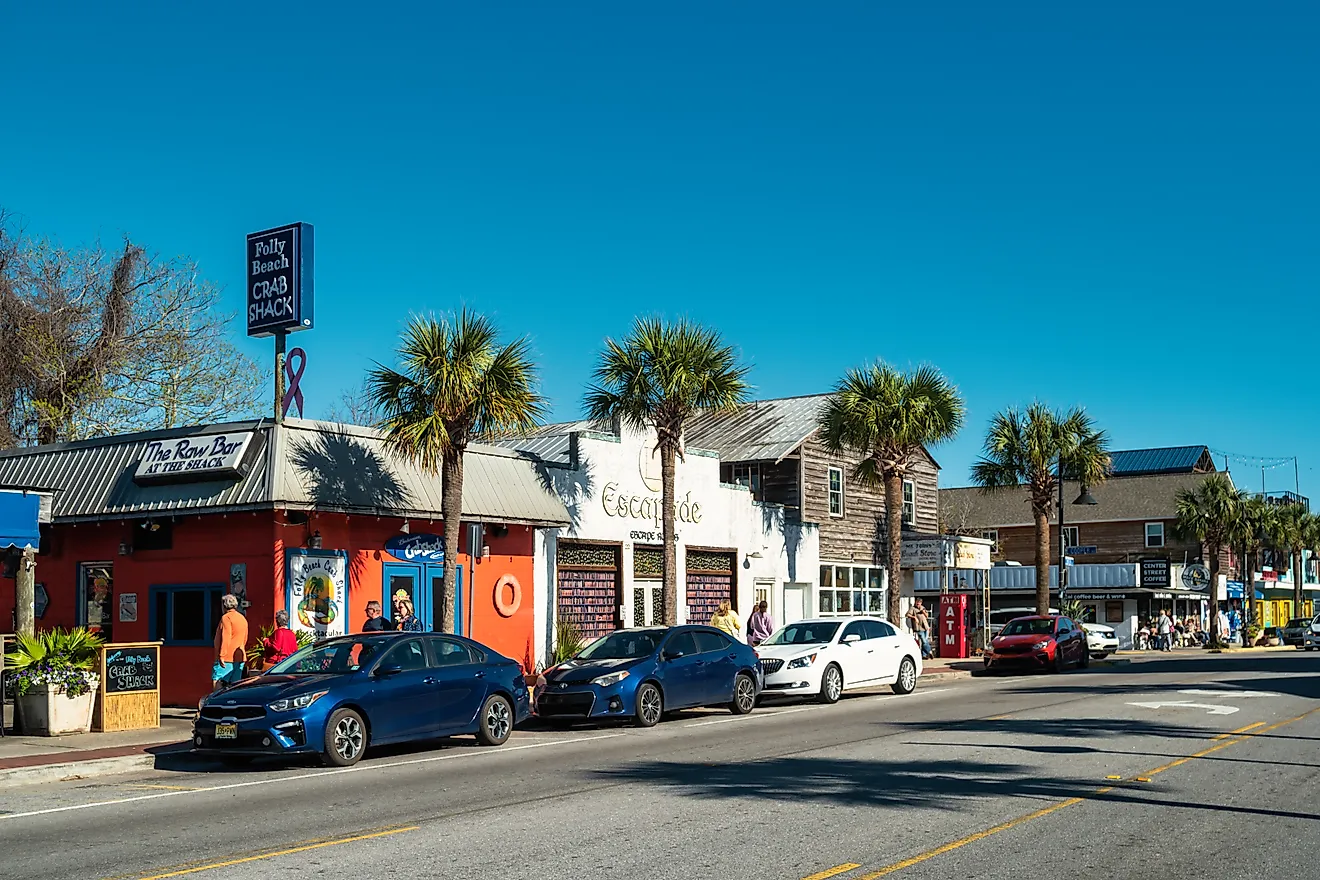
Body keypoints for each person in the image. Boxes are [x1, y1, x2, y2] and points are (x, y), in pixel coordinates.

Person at [212, 594, 248, 690]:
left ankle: (216, 703)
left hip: (227, 657)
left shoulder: (226, 618)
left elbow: (226, 637)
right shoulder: (242, 618)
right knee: (235, 685)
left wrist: (222, 656)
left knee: (218, 681)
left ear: (224, 605)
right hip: (239, 656)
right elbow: (245, 638)